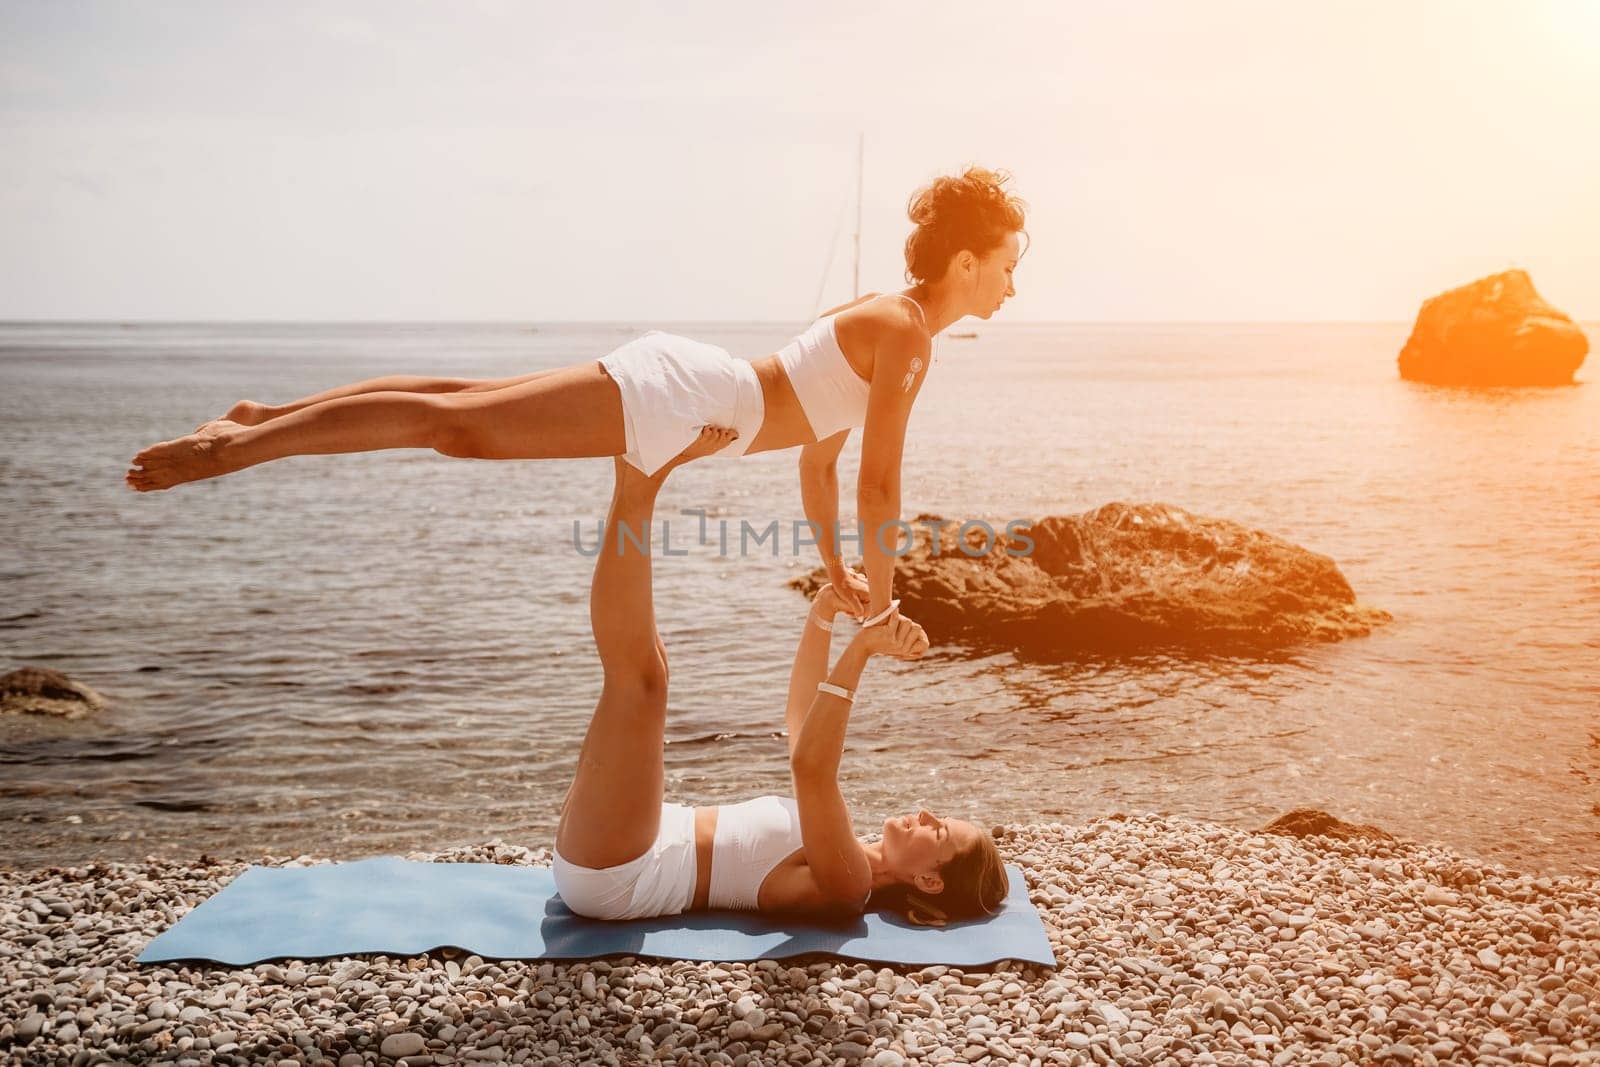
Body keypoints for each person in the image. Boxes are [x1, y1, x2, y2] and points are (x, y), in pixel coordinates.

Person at [124, 166, 1027, 621]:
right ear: (964, 260)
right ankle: (239, 447)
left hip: (700, 393)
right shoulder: (907, 335)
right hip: (690, 399)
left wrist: (841, 572)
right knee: (458, 428)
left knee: (458, 403)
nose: (1010, 287)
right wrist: (892, 598)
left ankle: (260, 418)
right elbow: (879, 485)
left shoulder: (886, 317)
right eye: (1005, 267)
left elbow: (823, 462)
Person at [551, 426, 1009, 924]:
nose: (926, 814)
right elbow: (801, 728)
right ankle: (638, 455)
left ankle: (647, 466)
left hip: (623, 872)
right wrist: (823, 614)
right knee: (649, 663)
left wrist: (863, 649)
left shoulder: (849, 884)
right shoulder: (845, 845)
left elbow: (811, 770)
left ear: (929, 881)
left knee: (642, 682)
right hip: (637, 837)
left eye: (938, 831)